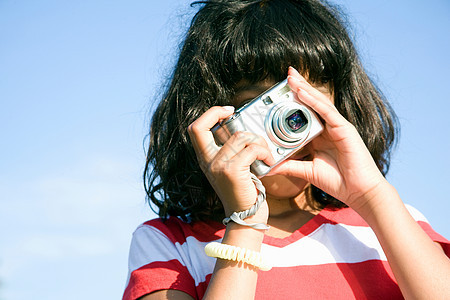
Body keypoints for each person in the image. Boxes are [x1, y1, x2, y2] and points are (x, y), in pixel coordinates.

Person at [123, 0, 450, 299]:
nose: (291, 125)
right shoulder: (167, 245)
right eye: (264, 106)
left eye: (306, 102)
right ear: (211, 119)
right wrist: (245, 224)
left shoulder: (395, 225)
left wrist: (372, 196)